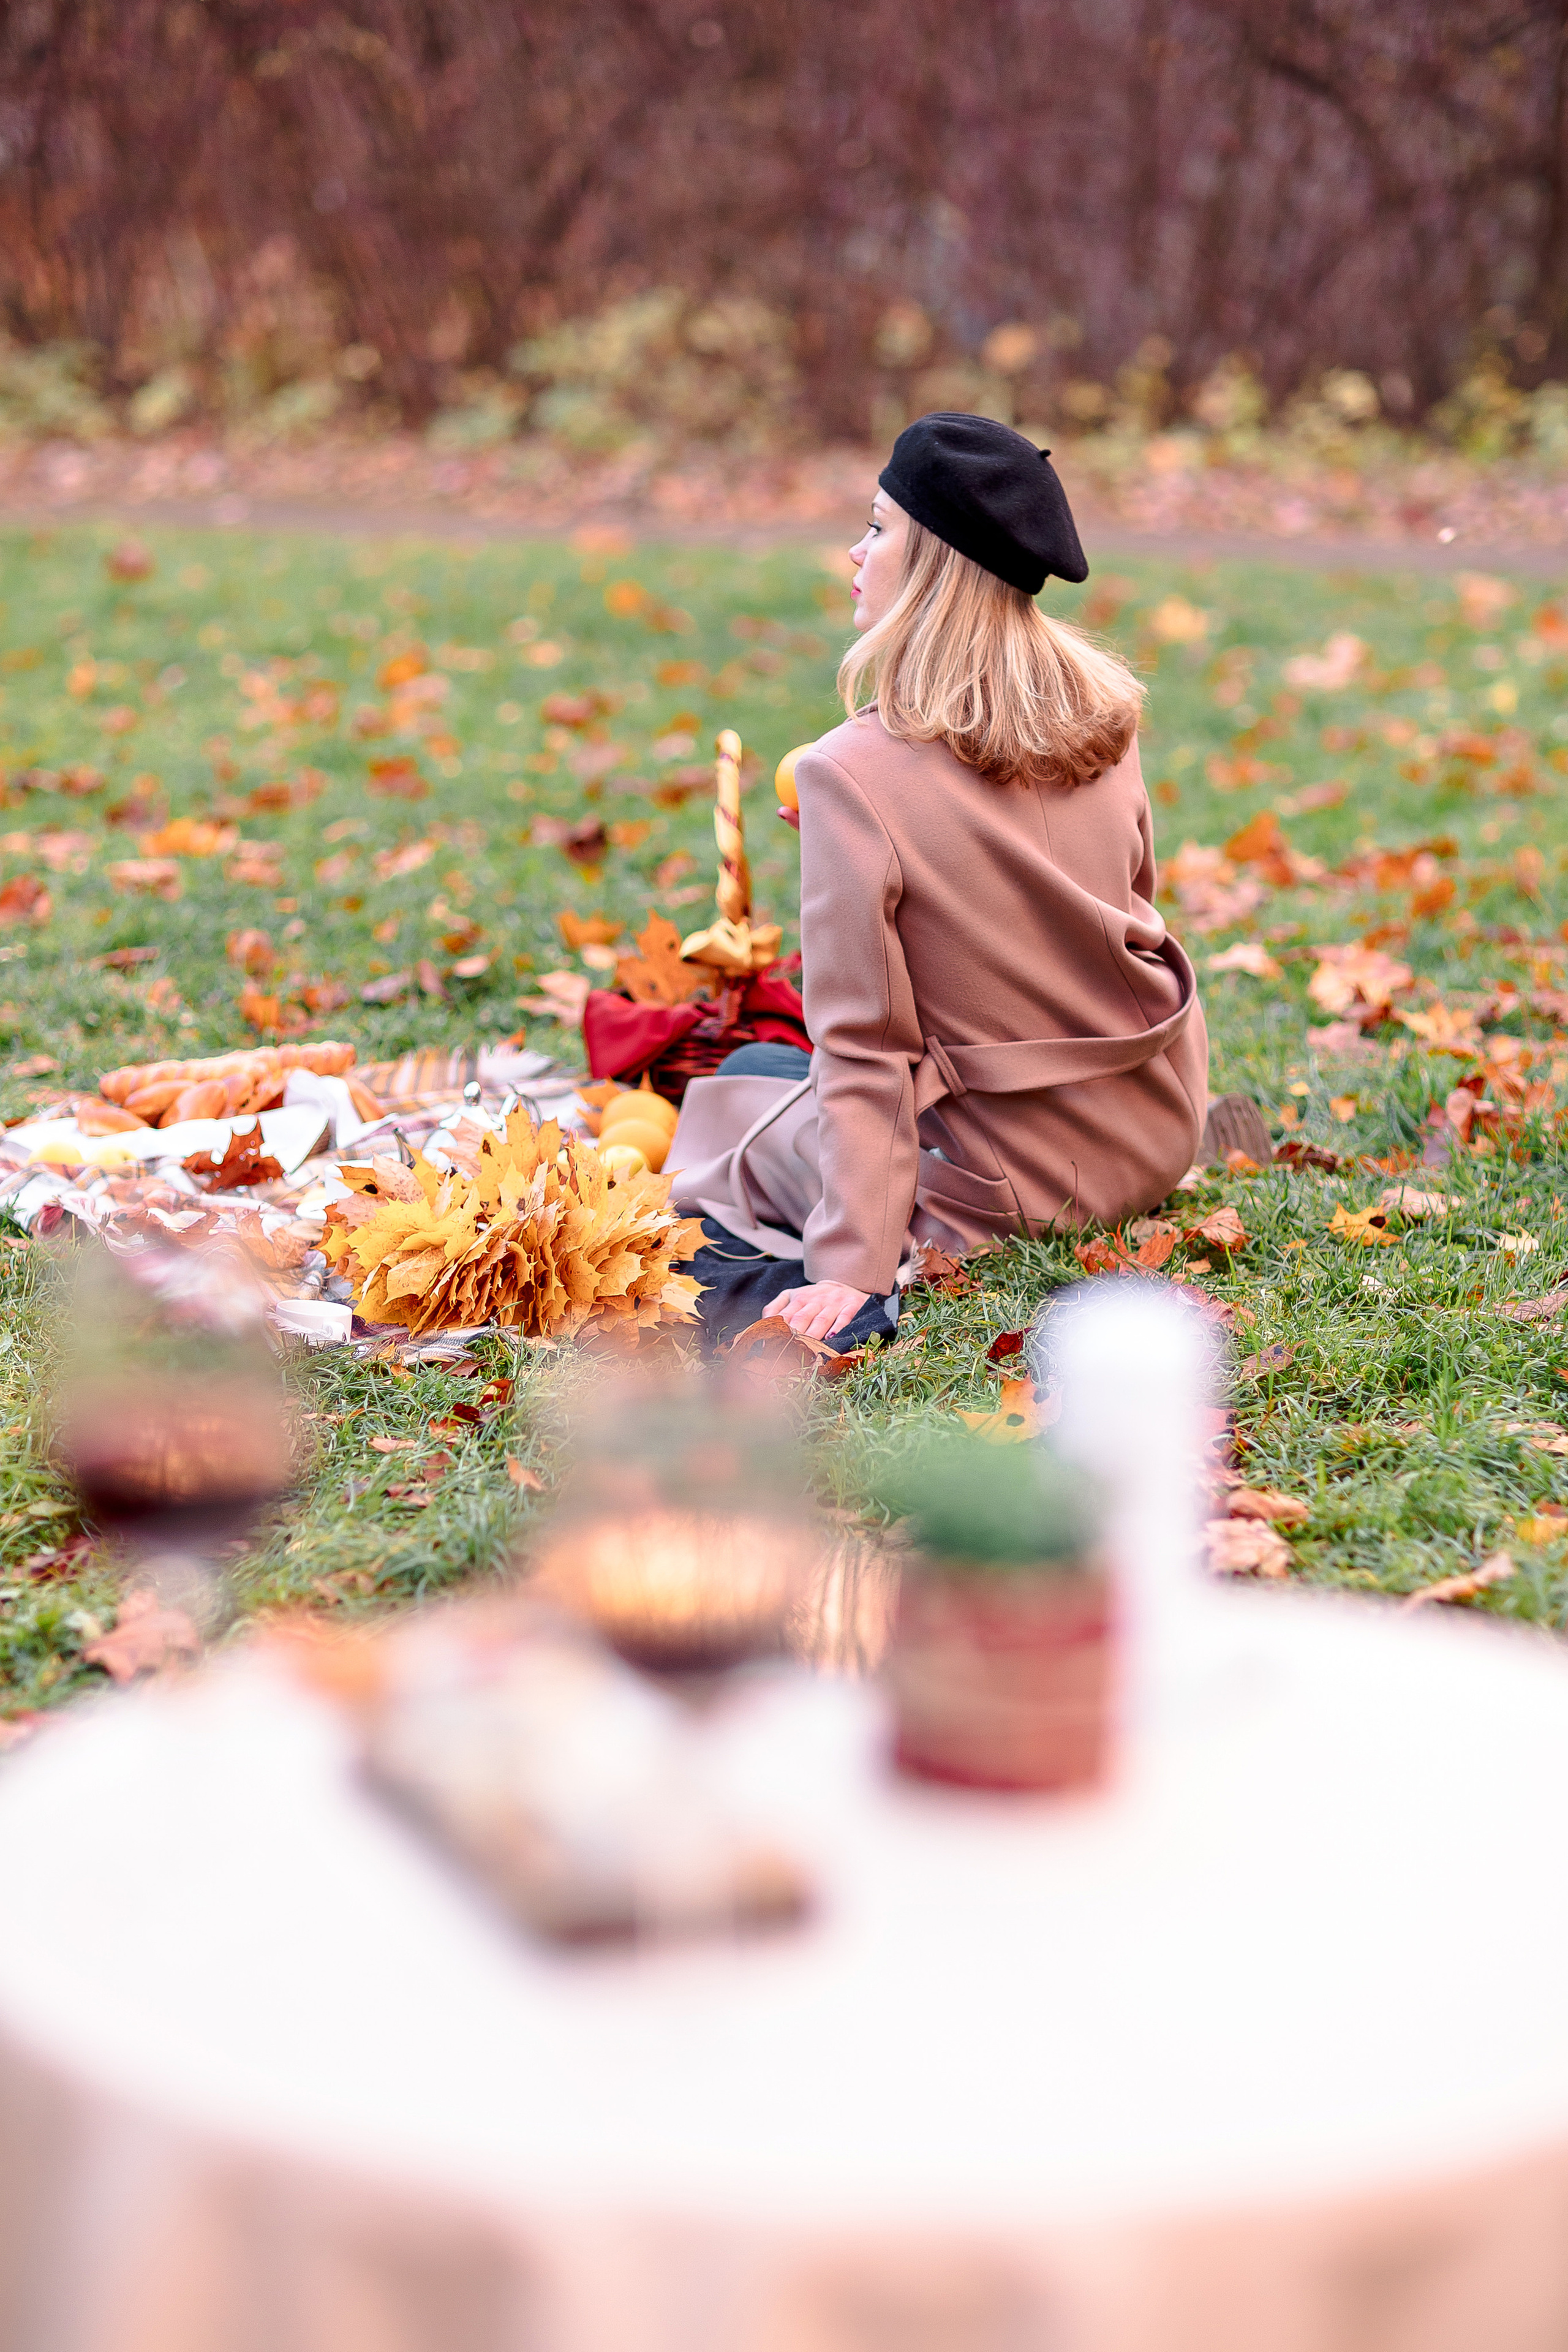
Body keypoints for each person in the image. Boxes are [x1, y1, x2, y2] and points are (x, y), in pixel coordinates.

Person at [667, 412, 1210, 1350]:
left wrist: (849, 1268)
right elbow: (1114, 918)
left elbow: (867, 1050)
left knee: (717, 1146)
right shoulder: (1100, 714)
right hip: (1150, 1130)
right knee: (759, 1070)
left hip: (1019, 1184)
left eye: (879, 528)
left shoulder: (852, 772)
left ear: (933, 566)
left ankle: (839, 1280)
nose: (855, 549)